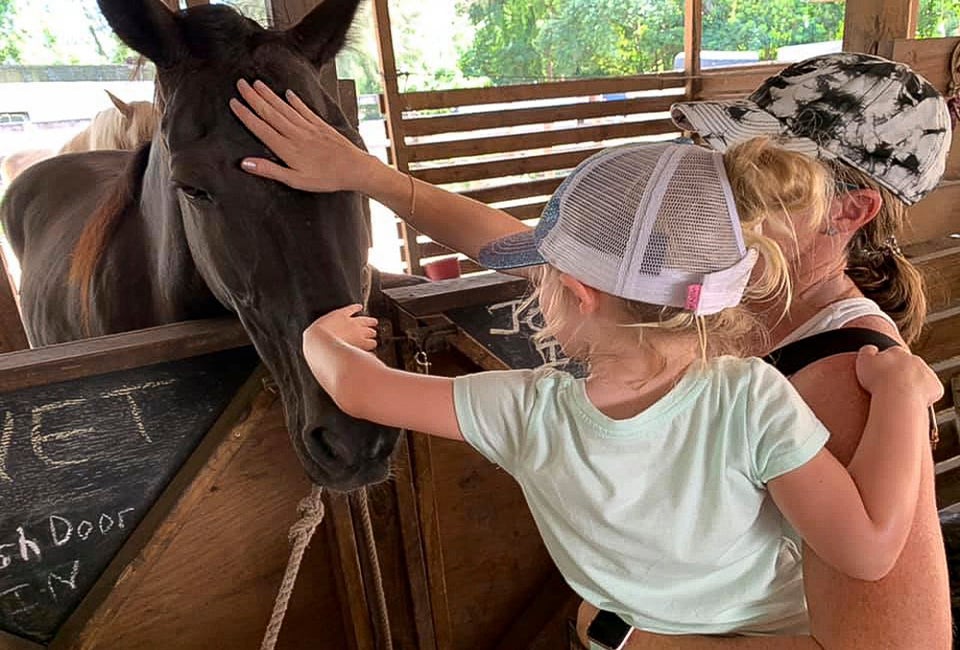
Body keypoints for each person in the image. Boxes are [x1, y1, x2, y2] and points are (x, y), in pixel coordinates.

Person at [228, 50, 954, 647]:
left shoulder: (850, 373)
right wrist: (368, 176)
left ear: (851, 211)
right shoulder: (703, 288)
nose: (719, 182)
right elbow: (520, 248)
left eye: (758, 171)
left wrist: (633, 636)